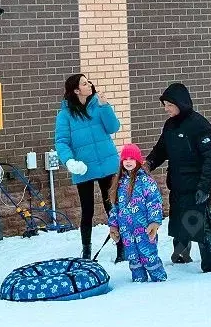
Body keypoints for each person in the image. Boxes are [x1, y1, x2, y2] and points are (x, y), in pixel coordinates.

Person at [144, 82, 211, 272]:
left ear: (181, 103)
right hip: (178, 184)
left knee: (199, 224)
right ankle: (181, 255)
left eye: (169, 105)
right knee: (179, 221)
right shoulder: (170, 125)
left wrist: (205, 187)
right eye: (165, 106)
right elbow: (161, 149)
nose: (166, 109)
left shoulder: (199, 125)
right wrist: (148, 164)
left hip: (196, 186)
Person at [55, 74, 121, 259]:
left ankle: (121, 247)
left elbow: (113, 128)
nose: (89, 85)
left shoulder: (98, 106)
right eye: (84, 83)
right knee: (87, 211)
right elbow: (61, 142)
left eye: (88, 82)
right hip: (83, 168)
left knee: (112, 208)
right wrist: (69, 161)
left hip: (107, 165)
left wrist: (106, 106)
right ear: (76, 91)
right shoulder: (65, 115)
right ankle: (86, 250)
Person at [108, 143, 167, 282]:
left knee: (148, 255)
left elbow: (154, 202)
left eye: (131, 158)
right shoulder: (120, 183)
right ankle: (138, 282)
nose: (128, 162)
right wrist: (113, 226)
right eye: (125, 159)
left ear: (138, 161)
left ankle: (159, 280)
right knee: (133, 257)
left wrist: (154, 222)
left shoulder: (145, 181)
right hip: (126, 230)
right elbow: (115, 207)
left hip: (144, 228)